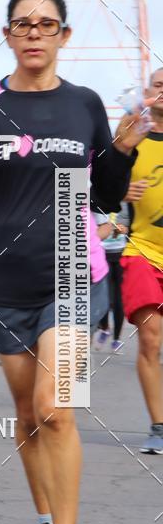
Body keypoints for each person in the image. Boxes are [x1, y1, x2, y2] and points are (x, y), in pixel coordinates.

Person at [0, 0, 151, 524]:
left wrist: (117, 150)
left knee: (56, 410)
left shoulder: (84, 103)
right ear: (8, 36)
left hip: (74, 273)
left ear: (63, 35)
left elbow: (104, 194)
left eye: (46, 25)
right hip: (4, 279)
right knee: (28, 417)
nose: (35, 35)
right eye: (23, 25)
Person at [119, 68, 163, 453]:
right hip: (143, 252)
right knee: (150, 339)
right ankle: (159, 426)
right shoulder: (136, 136)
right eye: (159, 84)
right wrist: (121, 188)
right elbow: (105, 169)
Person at [93, 204, 129, 353]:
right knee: (105, 297)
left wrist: (123, 230)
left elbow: (130, 227)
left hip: (120, 254)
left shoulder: (126, 204)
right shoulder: (98, 202)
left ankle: (116, 339)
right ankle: (105, 329)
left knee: (119, 299)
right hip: (102, 254)